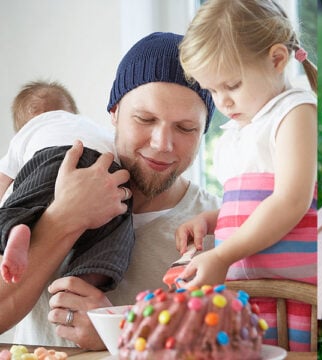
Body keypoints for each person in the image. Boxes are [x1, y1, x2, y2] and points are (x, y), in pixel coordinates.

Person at [0, 32, 219, 350]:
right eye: (145, 119)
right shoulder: (45, 183)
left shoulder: (219, 230)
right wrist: (63, 218)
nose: (162, 144)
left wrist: (123, 335)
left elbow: (234, 343)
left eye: (186, 128)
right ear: (114, 112)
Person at [177, 0, 318, 351]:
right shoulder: (239, 131)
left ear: (276, 60)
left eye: (232, 85)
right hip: (250, 297)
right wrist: (214, 220)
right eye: (211, 90)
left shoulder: (294, 112)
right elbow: (251, 202)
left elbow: (290, 200)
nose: (221, 102)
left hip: (296, 295)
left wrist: (223, 256)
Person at [0, 81, 134, 289]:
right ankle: (90, 275)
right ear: (72, 112)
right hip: (106, 166)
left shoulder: (27, 133)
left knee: (21, 203)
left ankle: (15, 228)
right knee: (118, 224)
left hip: (51, 158)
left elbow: (3, 180)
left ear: (22, 125)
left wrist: (8, 209)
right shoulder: (90, 125)